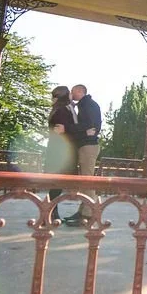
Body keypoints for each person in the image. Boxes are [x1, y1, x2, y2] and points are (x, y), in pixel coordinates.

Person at [62, 83, 102, 226]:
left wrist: (67, 128)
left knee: (87, 180)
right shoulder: (84, 105)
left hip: (88, 146)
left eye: (73, 92)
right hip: (86, 145)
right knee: (85, 180)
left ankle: (88, 215)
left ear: (80, 91)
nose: (72, 95)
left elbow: (90, 125)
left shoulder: (88, 105)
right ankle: (83, 211)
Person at [44, 85, 78, 222]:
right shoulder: (63, 111)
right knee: (57, 182)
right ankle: (51, 212)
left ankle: (52, 212)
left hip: (56, 149)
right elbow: (62, 131)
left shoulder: (58, 109)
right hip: (61, 151)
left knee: (56, 182)